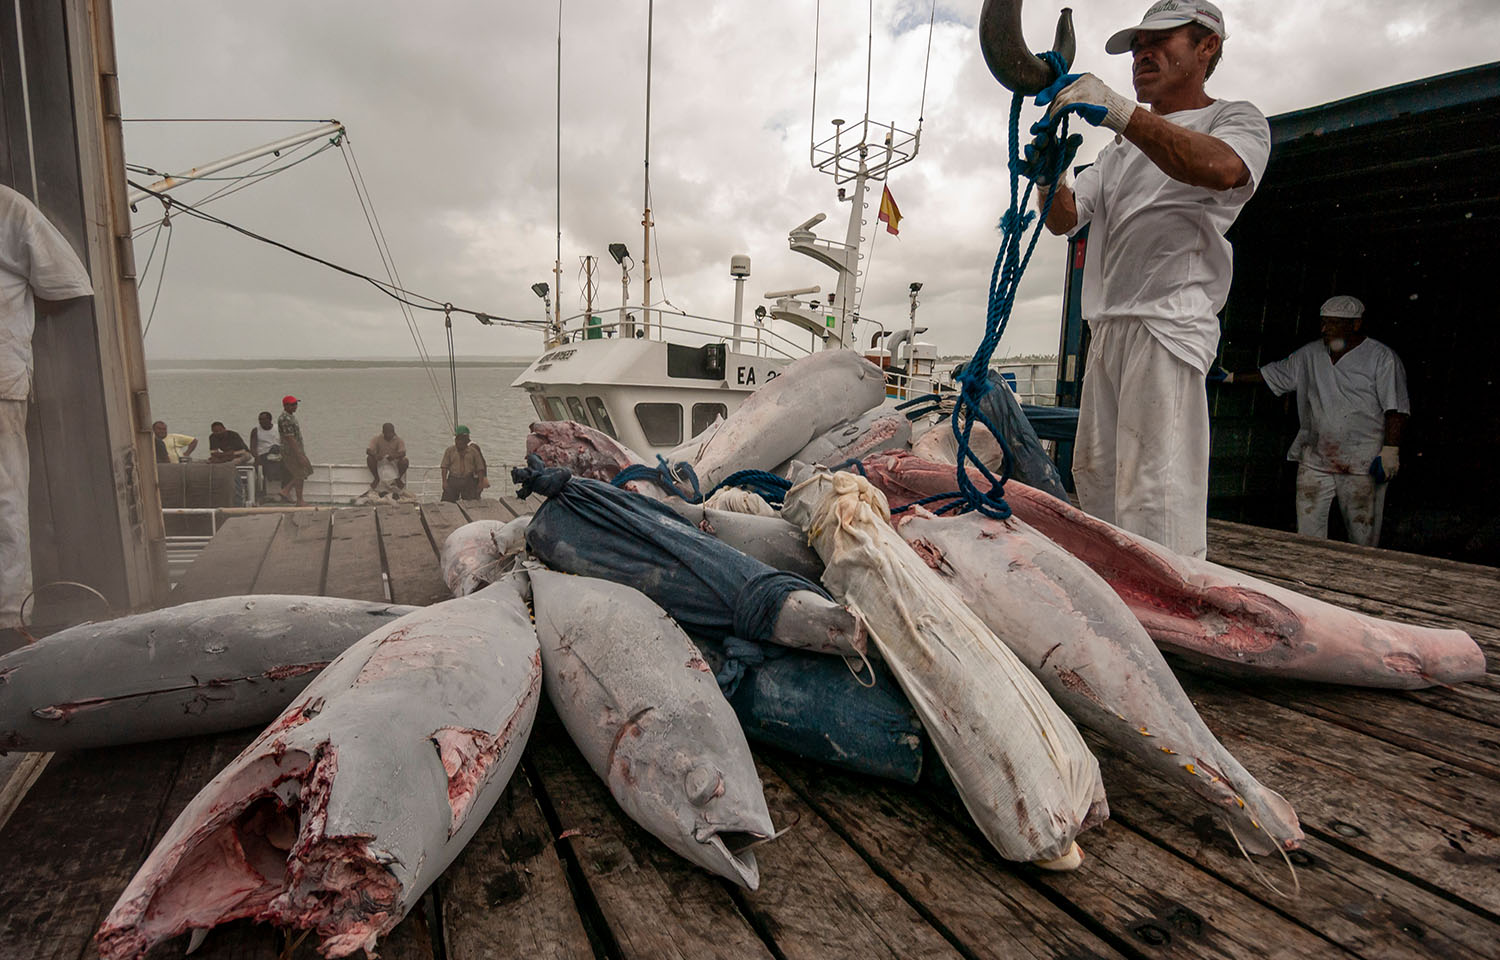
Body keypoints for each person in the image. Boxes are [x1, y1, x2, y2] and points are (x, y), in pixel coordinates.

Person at [1035, 0, 1270, 559]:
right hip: (1108, 332)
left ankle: (1172, 617)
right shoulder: (1116, 153)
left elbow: (1219, 168)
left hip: (1167, 327)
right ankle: (1117, 607)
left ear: (1207, 46)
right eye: (1137, 46)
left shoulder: (1234, 119)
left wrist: (1118, 111)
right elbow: (1064, 220)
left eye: (1160, 41)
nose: (1142, 53)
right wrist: (1050, 175)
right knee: (1096, 483)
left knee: (1155, 496)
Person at [1224, 295, 1409, 546]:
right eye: (1323, 323)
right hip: (1315, 457)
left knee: (1362, 533)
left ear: (1355, 325)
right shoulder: (1310, 354)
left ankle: (1359, 579)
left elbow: (1395, 408)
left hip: (1362, 461)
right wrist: (1231, 378)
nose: (1325, 329)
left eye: (1333, 323)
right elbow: (1276, 374)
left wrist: (1390, 451)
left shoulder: (1381, 358)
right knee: (1308, 531)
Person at [0, 184, 94, 628]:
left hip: (1, 383)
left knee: (5, 503)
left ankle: (6, 621)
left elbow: (69, 287)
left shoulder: (7, 206)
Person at [276, 396, 312, 506]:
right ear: (285, 406)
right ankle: (299, 500)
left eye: (295, 404)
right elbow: (290, 438)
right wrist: (299, 455)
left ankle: (286, 490)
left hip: (297, 449)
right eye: (292, 404)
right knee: (300, 473)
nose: (295, 406)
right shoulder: (285, 419)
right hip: (291, 451)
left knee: (306, 470)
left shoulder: (291, 417)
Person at [440, 425, 487, 502]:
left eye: (462, 440)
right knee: (447, 503)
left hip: (468, 480)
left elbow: (480, 468)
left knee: (472, 503)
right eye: (458, 440)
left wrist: (481, 483)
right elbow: (444, 467)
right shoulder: (450, 451)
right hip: (453, 479)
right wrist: (444, 481)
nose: (460, 443)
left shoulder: (473, 451)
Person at [366, 422, 409, 489]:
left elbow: (403, 453)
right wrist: (376, 455)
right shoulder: (377, 438)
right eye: (387, 433)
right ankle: (377, 478)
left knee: (405, 461)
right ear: (383, 432)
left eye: (391, 433)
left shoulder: (399, 440)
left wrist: (394, 456)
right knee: (369, 458)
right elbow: (368, 450)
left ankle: (398, 479)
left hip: (394, 462)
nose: (390, 435)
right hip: (380, 461)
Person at [249, 410, 282, 496]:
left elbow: (285, 443)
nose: (261, 421)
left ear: (270, 420)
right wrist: (257, 457)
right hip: (263, 456)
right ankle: (262, 494)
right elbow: (252, 448)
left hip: (278, 454)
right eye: (260, 419)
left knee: (289, 467)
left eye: (264, 419)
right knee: (258, 469)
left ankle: (284, 492)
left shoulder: (278, 428)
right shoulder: (256, 430)